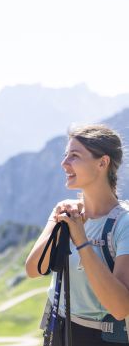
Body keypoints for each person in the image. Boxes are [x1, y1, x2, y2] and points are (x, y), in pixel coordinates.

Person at [25, 124, 129, 346]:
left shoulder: (124, 224)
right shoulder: (65, 213)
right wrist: (55, 222)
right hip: (56, 332)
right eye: (65, 155)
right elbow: (33, 269)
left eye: (74, 156)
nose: (64, 163)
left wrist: (81, 240)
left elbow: (120, 308)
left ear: (103, 162)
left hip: (100, 338)